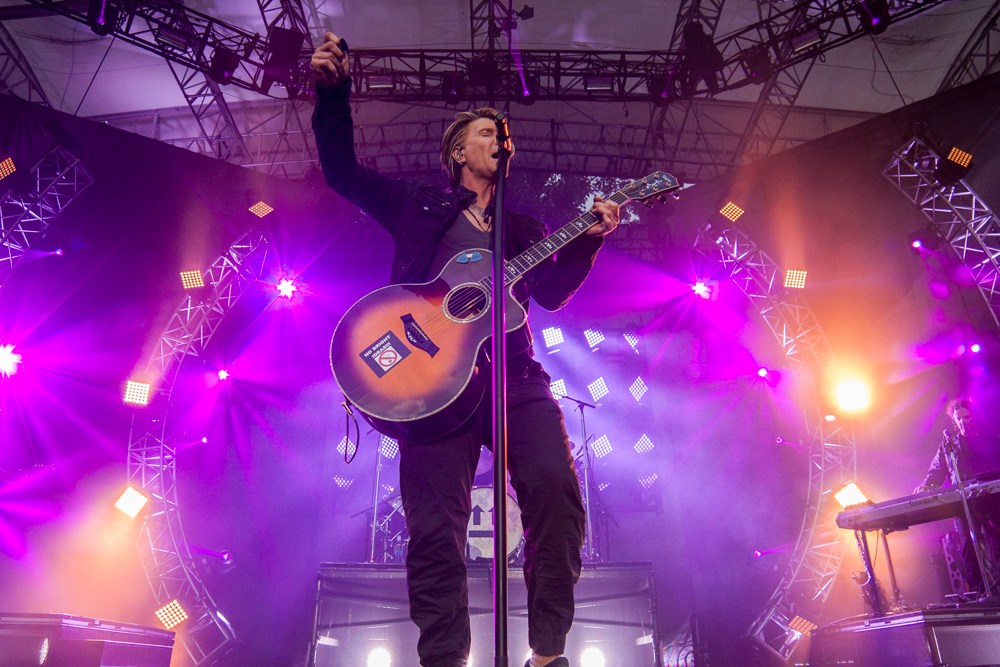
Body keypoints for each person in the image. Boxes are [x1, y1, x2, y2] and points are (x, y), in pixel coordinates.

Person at [311, 32, 620, 667]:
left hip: (514, 376)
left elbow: (555, 294)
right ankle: (445, 660)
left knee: (557, 491)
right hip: (431, 379)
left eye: (502, 134)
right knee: (433, 530)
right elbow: (341, 173)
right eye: (486, 132)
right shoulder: (420, 204)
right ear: (457, 152)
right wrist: (334, 93)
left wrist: (588, 241)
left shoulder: (524, 227)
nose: (500, 138)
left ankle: (547, 653)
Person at [915, 398, 1000, 597]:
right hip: (963, 505)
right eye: (958, 419)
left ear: (974, 417)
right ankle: (980, 593)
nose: (963, 422)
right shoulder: (949, 446)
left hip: (993, 502)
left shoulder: (991, 443)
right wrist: (928, 485)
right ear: (954, 420)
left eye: (967, 417)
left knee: (997, 543)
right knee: (968, 548)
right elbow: (937, 471)